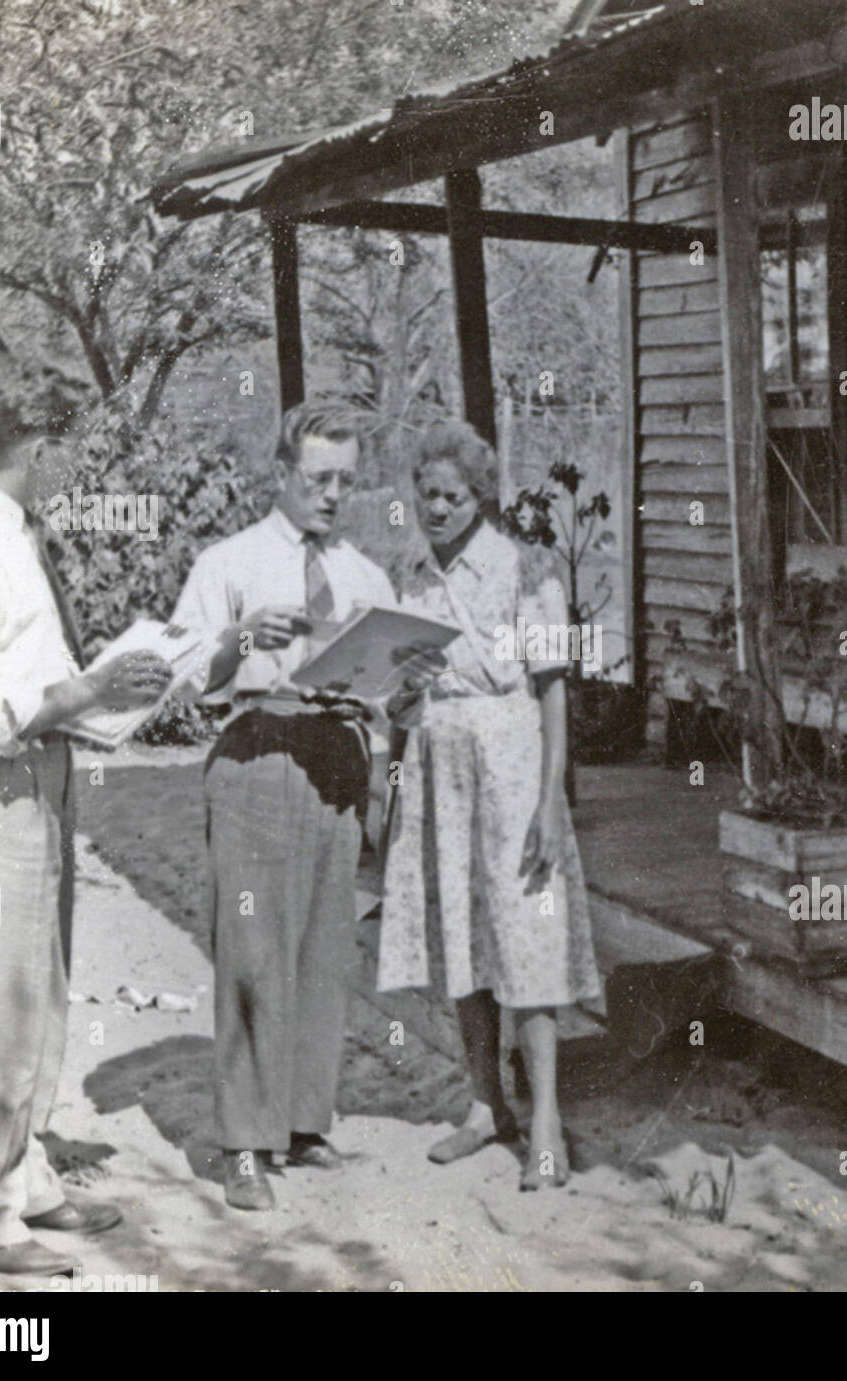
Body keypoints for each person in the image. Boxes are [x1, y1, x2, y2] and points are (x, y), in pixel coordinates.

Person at [0, 361, 174, 1276]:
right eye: (70, 453)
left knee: (39, 1000)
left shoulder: (17, 536)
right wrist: (92, 687)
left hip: (33, 789)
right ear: (39, 447)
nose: (74, 472)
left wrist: (134, 687)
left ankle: (26, 1178)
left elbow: (47, 683)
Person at [171, 401, 396, 1211]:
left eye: (345, 481)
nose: (332, 496)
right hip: (258, 750)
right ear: (281, 475)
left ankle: (302, 1122)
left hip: (338, 754)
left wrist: (407, 678)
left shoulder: (366, 574)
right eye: (317, 480)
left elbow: (388, 685)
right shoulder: (228, 562)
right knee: (254, 949)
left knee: (323, 946)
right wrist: (239, 637)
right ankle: (242, 1142)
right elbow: (185, 675)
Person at [377, 419, 601, 1190]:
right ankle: (485, 1103)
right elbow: (400, 701)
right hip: (438, 758)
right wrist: (399, 705)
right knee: (461, 935)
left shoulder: (522, 569)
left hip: (510, 763)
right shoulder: (409, 574)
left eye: (453, 496)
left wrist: (549, 799)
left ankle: (545, 1120)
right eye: (427, 494)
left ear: (480, 498)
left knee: (526, 935)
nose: (437, 508)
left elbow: (553, 690)